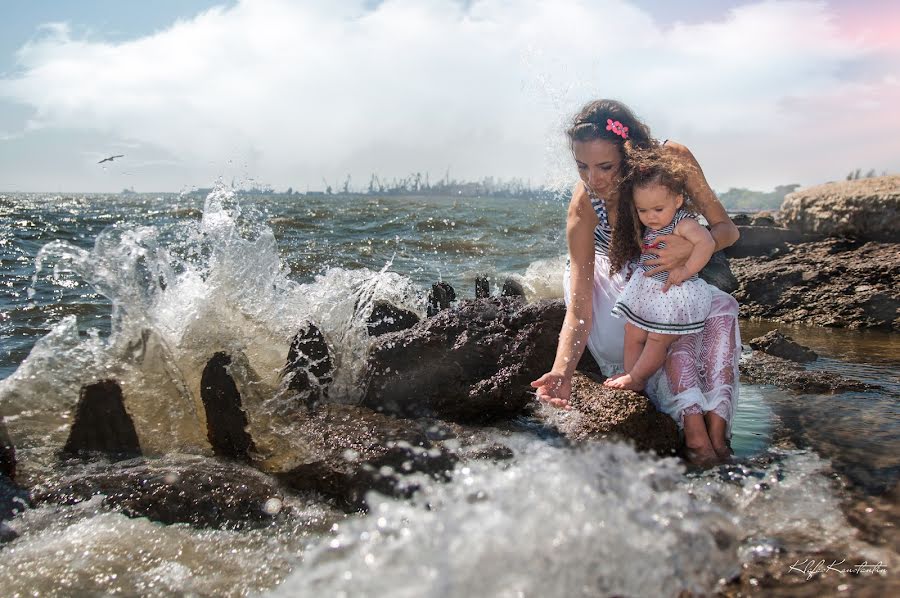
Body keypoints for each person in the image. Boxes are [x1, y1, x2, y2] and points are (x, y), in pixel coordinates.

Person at [530, 99, 741, 465]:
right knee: (661, 321)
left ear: (629, 155)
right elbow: (579, 305)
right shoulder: (584, 205)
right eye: (582, 166)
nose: (593, 180)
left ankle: (711, 433)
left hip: (674, 267)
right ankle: (688, 429)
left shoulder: (672, 162)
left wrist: (687, 249)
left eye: (605, 166)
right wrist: (562, 371)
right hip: (614, 284)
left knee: (716, 316)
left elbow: (727, 230)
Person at [605, 147, 716, 393]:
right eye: (642, 210)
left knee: (657, 338)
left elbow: (707, 243)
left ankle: (638, 377)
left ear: (677, 200)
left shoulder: (682, 222)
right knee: (632, 330)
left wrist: (686, 269)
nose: (650, 217)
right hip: (649, 288)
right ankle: (631, 374)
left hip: (673, 291)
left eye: (657, 209)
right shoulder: (654, 222)